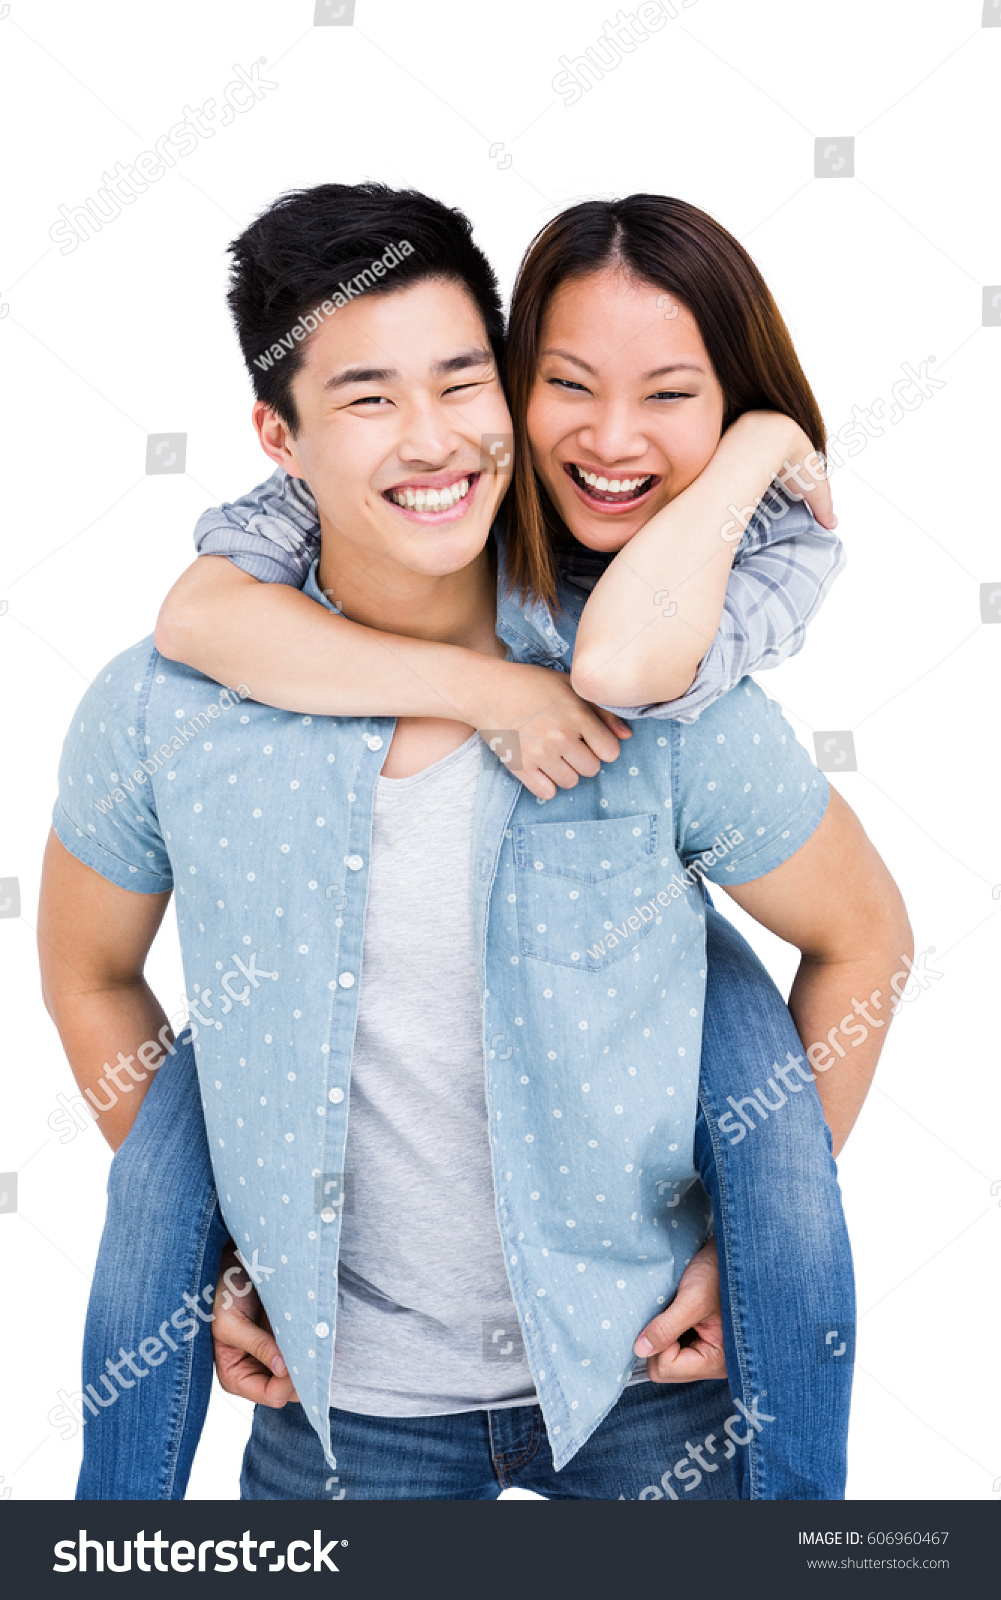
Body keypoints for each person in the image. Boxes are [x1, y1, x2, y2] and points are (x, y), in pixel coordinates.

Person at [39, 185, 910, 1503]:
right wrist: (218, 1251)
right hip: (349, 1411)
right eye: (370, 398)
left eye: (462, 383)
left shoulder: (652, 695)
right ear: (277, 434)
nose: (434, 439)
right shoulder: (167, 709)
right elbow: (89, 972)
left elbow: (864, 938)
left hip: (638, 1381)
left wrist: (748, 1256)